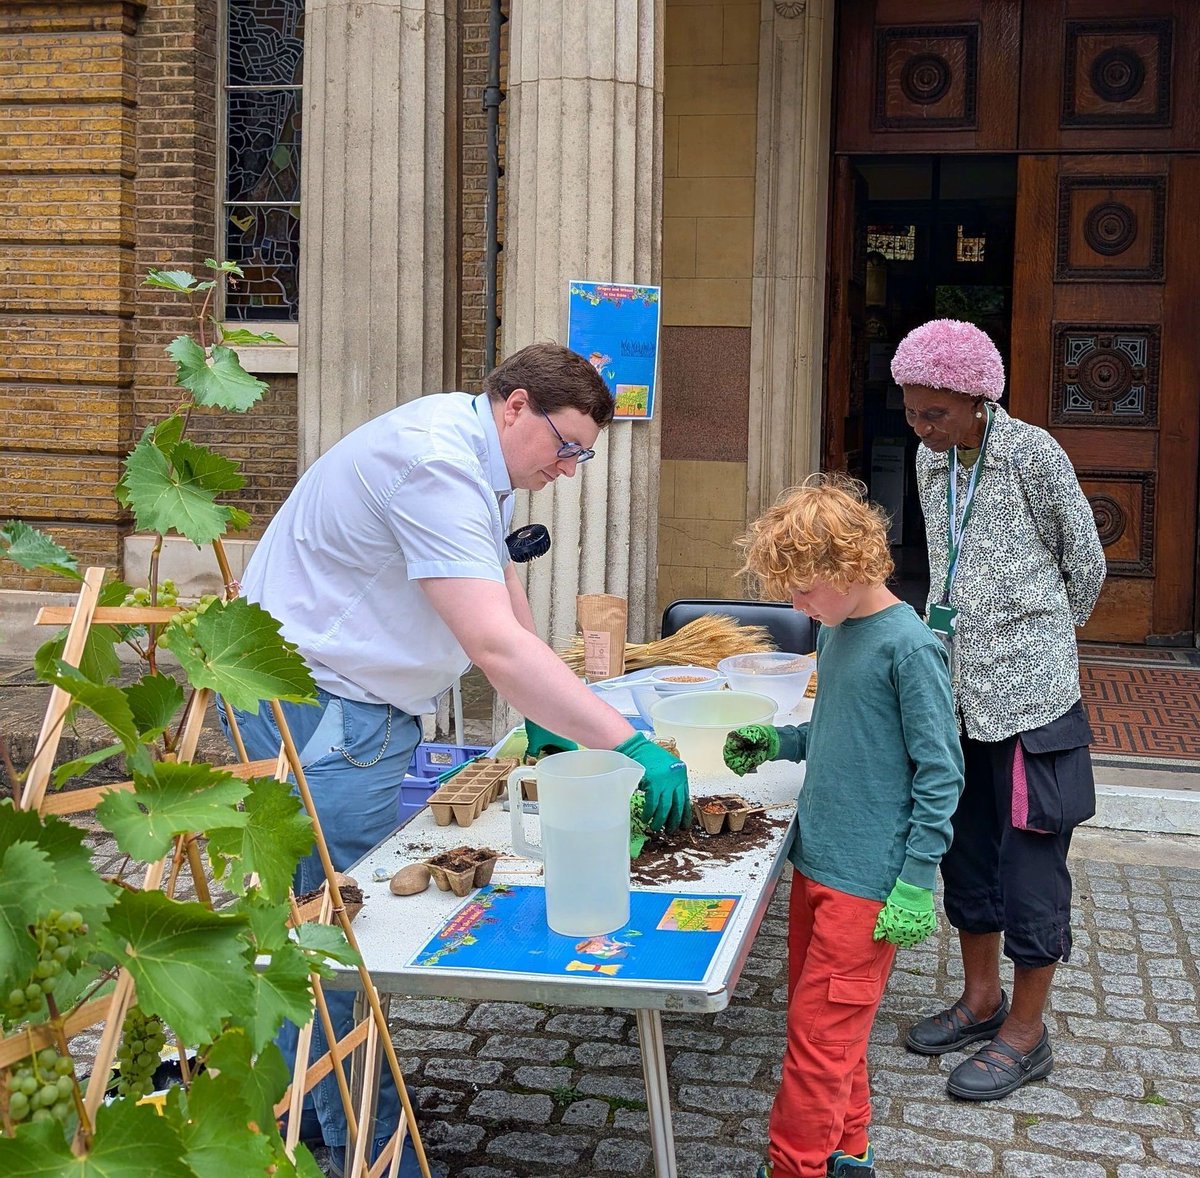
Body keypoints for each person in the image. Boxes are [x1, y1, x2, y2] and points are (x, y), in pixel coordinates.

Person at [218, 342, 688, 1171]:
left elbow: (500, 585)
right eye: (567, 447)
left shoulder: (468, 451)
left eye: (583, 454)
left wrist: (547, 717)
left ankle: (315, 1137)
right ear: (515, 406)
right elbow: (494, 645)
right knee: (333, 942)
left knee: (312, 931)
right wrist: (624, 741)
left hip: (340, 704)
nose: (571, 469)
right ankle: (365, 1153)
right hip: (328, 714)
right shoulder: (436, 463)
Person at [720, 474, 964, 1178]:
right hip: (818, 864)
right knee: (830, 1031)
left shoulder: (908, 647)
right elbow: (839, 734)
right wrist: (778, 743)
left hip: (869, 885)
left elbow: (941, 773)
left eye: (803, 590)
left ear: (852, 568)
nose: (794, 607)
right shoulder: (838, 631)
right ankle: (848, 1150)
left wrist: (917, 881)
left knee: (816, 1043)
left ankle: (794, 1166)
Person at [890, 318, 1106, 1101]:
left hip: (1032, 699)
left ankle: (1026, 1030)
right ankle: (981, 1000)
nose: (920, 427)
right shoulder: (928, 460)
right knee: (965, 848)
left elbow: (1085, 563)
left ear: (980, 400)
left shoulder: (1033, 454)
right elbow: (942, 562)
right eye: (911, 412)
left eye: (934, 413)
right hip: (955, 692)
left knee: (1030, 862)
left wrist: (1034, 636)